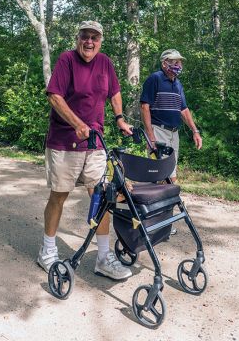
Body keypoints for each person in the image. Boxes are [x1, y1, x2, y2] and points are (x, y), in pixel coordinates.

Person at [37, 20, 133, 280]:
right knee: (59, 196)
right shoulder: (67, 60)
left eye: (94, 37)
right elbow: (54, 96)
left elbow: (114, 92)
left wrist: (120, 118)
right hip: (64, 140)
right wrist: (78, 124)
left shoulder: (105, 63)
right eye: (85, 36)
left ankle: (103, 258)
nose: (89, 42)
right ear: (77, 38)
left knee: (100, 197)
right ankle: (47, 251)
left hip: (95, 142)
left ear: (100, 41)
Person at [140, 48, 202, 183]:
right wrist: (151, 136)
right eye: (174, 62)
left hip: (174, 133)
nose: (178, 65)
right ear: (164, 63)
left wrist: (195, 131)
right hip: (158, 131)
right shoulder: (155, 78)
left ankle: (168, 203)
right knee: (160, 174)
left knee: (172, 174)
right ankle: (152, 202)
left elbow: (184, 110)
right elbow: (145, 107)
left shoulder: (178, 84)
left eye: (179, 62)